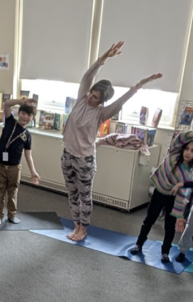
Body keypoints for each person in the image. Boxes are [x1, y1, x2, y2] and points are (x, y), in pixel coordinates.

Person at [61, 41, 162, 241]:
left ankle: (84, 229)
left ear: (102, 101)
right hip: (67, 155)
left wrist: (141, 84)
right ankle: (76, 225)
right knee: (71, 194)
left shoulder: (102, 112)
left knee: (84, 196)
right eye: (91, 93)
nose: (90, 96)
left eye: (95, 96)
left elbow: (122, 101)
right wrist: (104, 58)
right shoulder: (82, 98)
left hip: (84, 160)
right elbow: (87, 77)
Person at [128, 131, 193, 263]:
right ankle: (138, 244)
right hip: (159, 192)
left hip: (173, 198)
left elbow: (182, 195)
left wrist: (179, 215)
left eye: (192, 151)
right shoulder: (174, 153)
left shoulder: (190, 173)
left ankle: (165, 252)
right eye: (187, 148)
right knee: (149, 220)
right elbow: (180, 138)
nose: (188, 152)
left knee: (169, 227)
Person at [0, 98, 40, 225]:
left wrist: (33, 172)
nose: (25, 117)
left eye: (29, 115)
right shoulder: (9, 122)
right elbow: (6, 104)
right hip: (0, 165)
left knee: (13, 192)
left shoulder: (27, 135)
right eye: (23, 113)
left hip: (15, 167)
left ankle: (12, 215)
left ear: (32, 118)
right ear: (19, 113)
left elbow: (28, 155)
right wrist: (21, 101)